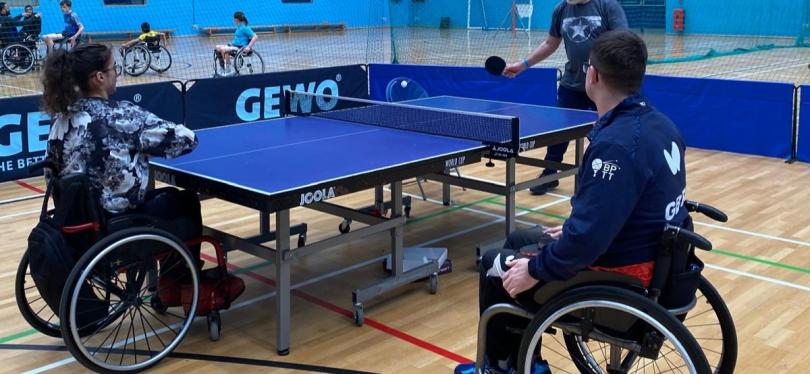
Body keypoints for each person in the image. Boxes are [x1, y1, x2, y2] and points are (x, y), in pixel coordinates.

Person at [456, 30, 689, 374]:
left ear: (591, 75)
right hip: (651, 255)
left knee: (495, 263)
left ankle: (502, 366)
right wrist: (569, 232)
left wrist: (536, 269)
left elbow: (587, 240)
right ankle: (526, 357)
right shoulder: (661, 125)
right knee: (519, 239)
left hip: (621, 273)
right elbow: (625, 207)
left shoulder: (616, 146)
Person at [41, 43, 201, 256]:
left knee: (167, 195)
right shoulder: (123, 116)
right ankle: (181, 281)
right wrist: (145, 147)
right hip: (117, 226)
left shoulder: (60, 121)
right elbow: (188, 139)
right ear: (99, 77)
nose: (117, 74)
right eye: (114, 68)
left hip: (77, 227)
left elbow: (50, 173)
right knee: (186, 201)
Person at [503, 0, 628, 195]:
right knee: (560, 131)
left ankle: (609, 177)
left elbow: (623, 42)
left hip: (602, 84)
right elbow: (550, 43)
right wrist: (523, 65)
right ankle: (550, 173)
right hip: (572, 84)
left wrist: (608, 74)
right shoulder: (561, 9)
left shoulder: (607, 6)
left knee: (609, 133)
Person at [213, 11, 257, 77]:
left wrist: (248, 47)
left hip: (240, 48)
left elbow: (255, 36)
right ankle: (222, 68)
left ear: (236, 19)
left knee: (224, 50)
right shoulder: (239, 27)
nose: (234, 20)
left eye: (234, 19)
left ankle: (228, 70)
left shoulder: (245, 28)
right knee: (217, 47)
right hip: (234, 46)